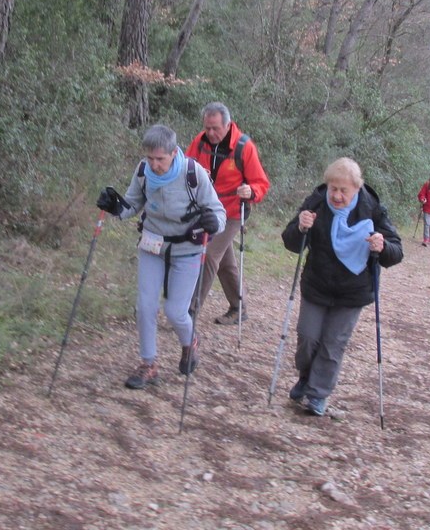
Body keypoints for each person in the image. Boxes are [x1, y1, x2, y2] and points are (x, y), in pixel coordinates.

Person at [97, 124, 226, 390]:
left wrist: (213, 222)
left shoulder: (194, 174)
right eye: (150, 158)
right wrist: (114, 207)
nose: (155, 164)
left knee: (176, 311)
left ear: (174, 152)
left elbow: (219, 214)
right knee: (145, 306)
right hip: (152, 244)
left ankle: (190, 342)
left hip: (187, 248)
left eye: (160, 159)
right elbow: (132, 205)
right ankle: (148, 364)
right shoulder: (143, 171)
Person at [280, 158, 403, 417]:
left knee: (332, 344)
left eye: (343, 190)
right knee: (307, 338)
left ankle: (317, 395)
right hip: (317, 284)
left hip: (353, 291)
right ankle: (305, 377)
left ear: (356, 189)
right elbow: (291, 242)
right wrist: (301, 227)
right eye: (333, 188)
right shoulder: (315, 204)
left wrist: (383, 247)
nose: (336, 195)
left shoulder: (372, 210)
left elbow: (396, 251)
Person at [186, 102, 271, 325]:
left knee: (210, 254)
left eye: (215, 128)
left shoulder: (244, 147)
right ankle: (238, 307)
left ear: (227, 125)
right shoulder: (200, 141)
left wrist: (251, 191)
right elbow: (185, 165)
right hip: (206, 209)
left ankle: (189, 312)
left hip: (232, 211)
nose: (211, 133)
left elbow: (261, 184)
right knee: (224, 262)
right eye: (207, 128)